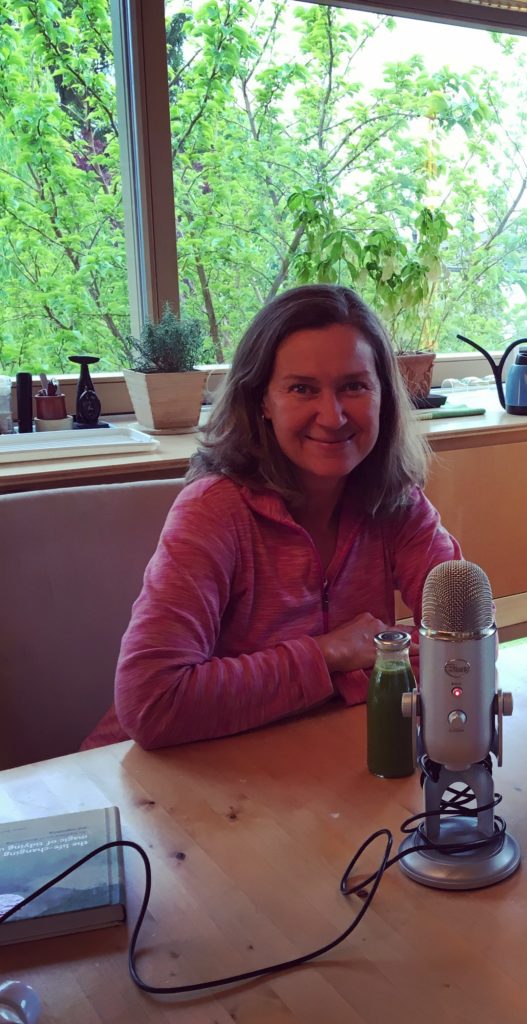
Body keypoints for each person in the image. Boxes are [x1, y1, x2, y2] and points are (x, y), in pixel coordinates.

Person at [83, 285, 460, 750]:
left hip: (302, 760)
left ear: (384, 395)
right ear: (262, 399)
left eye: (354, 386)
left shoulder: (397, 502)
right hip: (142, 775)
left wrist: (347, 672)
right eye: (302, 388)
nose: (332, 416)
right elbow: (152, 701)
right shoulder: (214, 509)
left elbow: (462, 646)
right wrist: (330, 654)